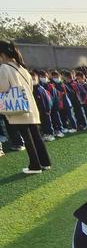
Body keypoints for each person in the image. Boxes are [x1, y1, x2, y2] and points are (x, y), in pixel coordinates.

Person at [0, 41, 51, 174]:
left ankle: (35, 165)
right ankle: (45, 162)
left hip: (19, 108)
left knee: (27, 136)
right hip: (30, 106)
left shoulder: (5, 68)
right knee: (36, 135)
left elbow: (3, 88)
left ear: (2, 55)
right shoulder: (22, 68)